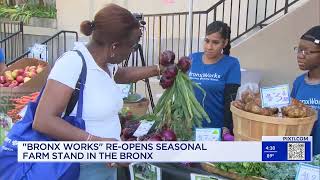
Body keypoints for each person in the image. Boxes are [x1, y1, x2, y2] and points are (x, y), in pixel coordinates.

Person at [2, 4, 161, 180]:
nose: (132, 51)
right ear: (114, 46)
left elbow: (122, 74)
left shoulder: (106, 64)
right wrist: (99, 145)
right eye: (131, 46)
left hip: (105, 163)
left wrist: (157, 69)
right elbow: (43, 121)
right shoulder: (72, 64)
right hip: (78, 168)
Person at [188, 21, 241, 141]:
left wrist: (227, 126)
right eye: (207, 41)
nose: (209, 47)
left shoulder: (232, 64)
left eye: (215, 42)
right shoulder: (192, 58)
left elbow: (230, 99)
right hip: (189, 127)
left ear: (225, 43)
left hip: (216, 130)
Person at [291, 25, 320, 155]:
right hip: (300, 156)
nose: (300, 56)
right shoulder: (298, 83)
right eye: (299, 50)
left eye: (306, 51)